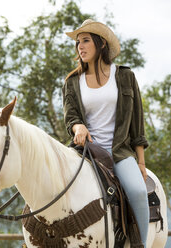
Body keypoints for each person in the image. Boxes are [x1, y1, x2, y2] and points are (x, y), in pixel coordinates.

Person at [62, 19, 149, 247]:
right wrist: (77, 126)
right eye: (78, 42)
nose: (80, 46)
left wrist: (140, 162)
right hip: (85, 153)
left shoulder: (124, 76)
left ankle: (140, 243)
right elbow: (70, 116)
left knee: (139, 192)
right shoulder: (72, 82)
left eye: (86, 41)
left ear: (101, 44)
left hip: (118, 152)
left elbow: (137, 123)